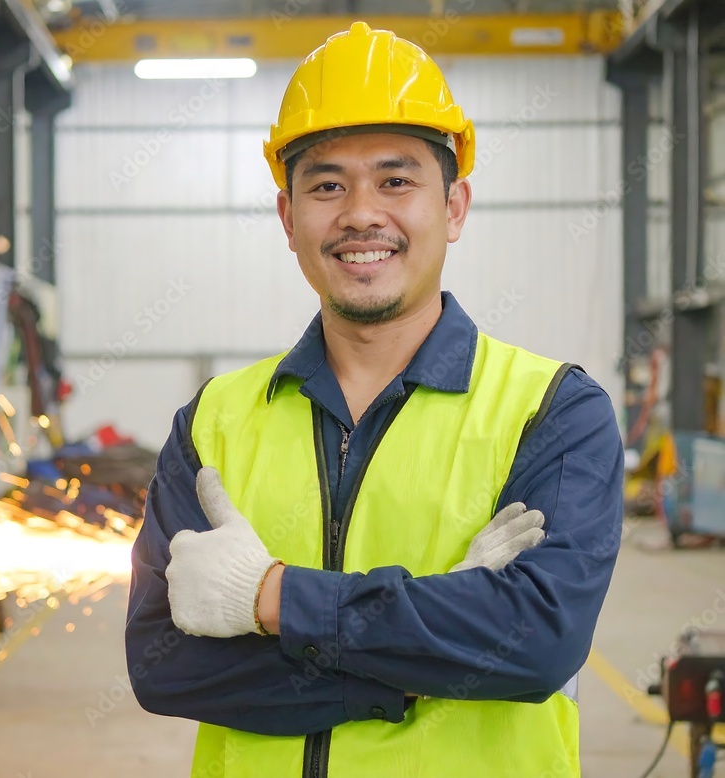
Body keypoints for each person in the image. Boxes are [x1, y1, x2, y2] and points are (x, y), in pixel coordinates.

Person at [125, 21, 624, 778]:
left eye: (396, 181)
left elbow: (538, 642)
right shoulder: (213, 423)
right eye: (327, 185)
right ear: (288, 217)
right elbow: (164, 667)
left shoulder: (552, 412)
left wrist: (272, 598)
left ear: (454, 207)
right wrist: (423, 657)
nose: (361, 213)